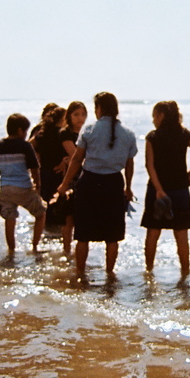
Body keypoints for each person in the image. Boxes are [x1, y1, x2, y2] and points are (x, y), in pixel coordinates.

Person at [55, 92, 137, 277]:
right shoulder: (128, 134)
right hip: (114, 183)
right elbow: (130, 164)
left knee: (83, 233)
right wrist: (129, 188)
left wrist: (64, 184)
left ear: (99, 108)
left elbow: (77, 160)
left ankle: (80, 273)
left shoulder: (90, 129)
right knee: (113, 235)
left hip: (90, 182)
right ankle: (109, 275)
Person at [140, 101, 190, 275]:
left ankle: (149, 273)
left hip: (157, 192)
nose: (153, 120)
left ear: (161, 115)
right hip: (180, 190)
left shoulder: (153, 137)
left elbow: (150, 166)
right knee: (181, 235)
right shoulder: (184, 134)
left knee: (153, 233)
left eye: (154, 116)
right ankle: (185, 273)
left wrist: (159, 189)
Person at [0, 113, 47, 254]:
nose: (26, 134)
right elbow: (34, 168)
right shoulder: (25, 146)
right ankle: (35, 246)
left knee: (9, 218)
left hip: (5, 189)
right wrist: (37, 187)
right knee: (41, 213)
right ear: (20, 130)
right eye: (25, 131)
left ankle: (11, 249)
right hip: (24, 188)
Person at [56, 100, 87, 255]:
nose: (80, 118)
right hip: (69, 178)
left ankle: (78, 251)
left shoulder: (86, 132)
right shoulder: (66, 133)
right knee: (68, 218)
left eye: (83, 114)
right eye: (76, 114)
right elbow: (75, 155)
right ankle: (67, 251)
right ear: (69, 116)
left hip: (83, 178)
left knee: (80, 217)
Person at [32, 105, 67, 229]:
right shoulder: (63, 133)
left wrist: (36, 159)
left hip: (44, 173)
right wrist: (65, 162)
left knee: (45, 207)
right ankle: (57, 238)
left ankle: (45, 234)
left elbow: (29, 145)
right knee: (60, 208)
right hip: (59, 174)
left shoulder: (43, 133)